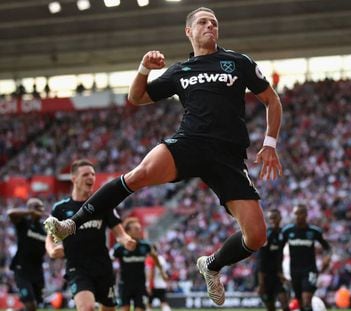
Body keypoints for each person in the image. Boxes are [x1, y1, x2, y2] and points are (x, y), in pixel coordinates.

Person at [44, 6, 283, 306]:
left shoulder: (237, 62)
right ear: (188, 31)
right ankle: (72, 223)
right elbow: (137, 97)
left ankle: (211, 266)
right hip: (189, 142)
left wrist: (270, 142)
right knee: (138, 174)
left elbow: (271, 100)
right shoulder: (180, 71)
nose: (210, 26)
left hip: (227, 156)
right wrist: (144, 68)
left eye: (214, 22)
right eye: (202, 22)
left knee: (257, 236)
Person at [45, 159, 136, 311]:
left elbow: (119, 232)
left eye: (93, 174)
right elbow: (49, 237)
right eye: (85, 174)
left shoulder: (102, 203)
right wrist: (52, 250)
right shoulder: (60, 208)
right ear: (74, 179)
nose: (91, 178)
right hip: (77, 267)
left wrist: (127, 241)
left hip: (102, 267)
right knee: (87, 307)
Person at [281, 204, 331, 311]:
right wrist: (279, 270)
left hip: (310, 270)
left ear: (306, 215)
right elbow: (278, 251)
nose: (297, 216)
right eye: (295, 213)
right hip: (294, 271)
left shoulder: (314, 231)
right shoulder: (287, 231)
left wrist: (327, 258)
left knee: (307, 300)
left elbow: (327, 248)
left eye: (300, 213)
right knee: (300, 302)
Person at [112, 217, 165, 311]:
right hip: (124, 285)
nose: (139, 231)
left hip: (140, 285)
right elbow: (109, 260)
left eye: (140, 228)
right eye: (136, 229)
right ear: (128, 231)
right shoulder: (119, 247)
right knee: (124, 309)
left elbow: (154, 256)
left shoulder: (145, 245)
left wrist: (161, 271)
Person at [7, 198, 47, 311]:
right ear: (30, 209)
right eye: (38, 207)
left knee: (36, 305)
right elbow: (10, 213)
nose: (41, 209)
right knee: (30, 304)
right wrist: (30, 212)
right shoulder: (23, 223)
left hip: (37, 271)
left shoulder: (44, 228)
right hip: (22, 270)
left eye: (42, 207)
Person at [257, 209, 289, 311]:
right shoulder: (266, 236)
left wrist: (282, 272)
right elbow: (261, 260)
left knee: (284, 303)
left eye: (274, 218)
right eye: (270, 218)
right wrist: (261, 283)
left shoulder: (283, 234)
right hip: (266, 276)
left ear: (280, 218)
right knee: (270, 307)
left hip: (278, 275)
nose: (273, 220)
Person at [146, 244, 171, 311]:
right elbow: (165, 272)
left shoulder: (150, 259)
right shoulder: (162, 259)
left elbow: (150, 273)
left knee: (149, 305)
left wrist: (148, 285)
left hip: (152, 285)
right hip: (161, 284)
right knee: (164, 303)